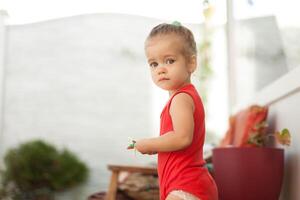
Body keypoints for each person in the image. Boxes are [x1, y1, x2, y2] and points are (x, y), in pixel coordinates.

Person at [127, 22, 218, 200]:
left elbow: (182, 137)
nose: (161, 69)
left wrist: (149, 144)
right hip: (185, 185)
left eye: (169, 61)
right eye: (154, 64)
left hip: (186, 186)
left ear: (191, 63)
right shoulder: (183, 97)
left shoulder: (181, 99)